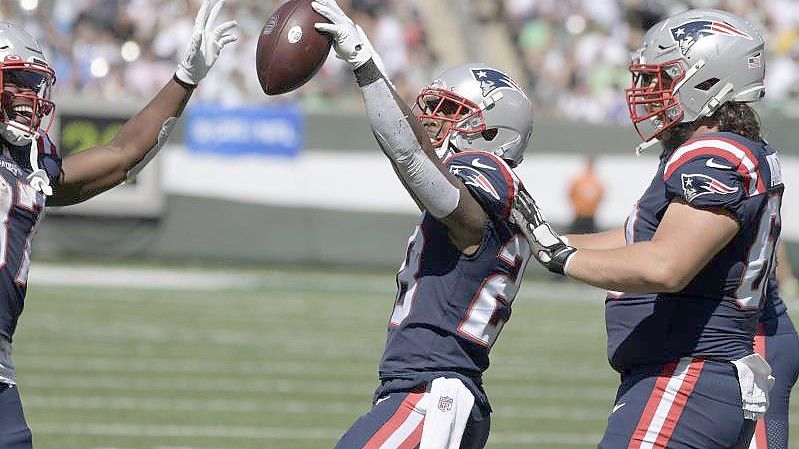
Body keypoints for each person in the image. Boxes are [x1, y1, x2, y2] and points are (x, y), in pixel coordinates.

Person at [514, 9, 783, 448]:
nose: (644, 91)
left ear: (710, 80)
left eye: (660, 78)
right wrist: (533, 240)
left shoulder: (716, 154)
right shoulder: (707, 148)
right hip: (688, 375)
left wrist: (563, 258)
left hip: (687, 376)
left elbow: (665, 265)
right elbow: (637, 239)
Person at [0, 2, 236, 447]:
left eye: (33, 84)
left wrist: (186, 77)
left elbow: (123, 155)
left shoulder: (30, 162)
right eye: (17, 82)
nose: (29, 97)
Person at [311, 1, 534, 448]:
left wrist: (364, 64)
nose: (431, 122)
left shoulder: (488, 179)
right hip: (428, 390)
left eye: (450, 112)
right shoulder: (497, 194)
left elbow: (410, 155)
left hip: (433, 394)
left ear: (490, 131)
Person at [567, 155, 604, 234]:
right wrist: (577, 206)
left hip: (590, 216)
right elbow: (571, 194)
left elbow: (600, 196)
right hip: (579, 215)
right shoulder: (581, 180)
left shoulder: (595, 181)